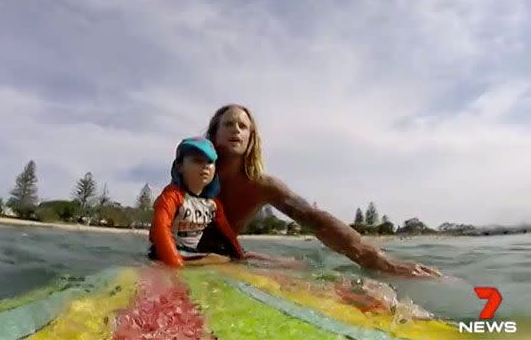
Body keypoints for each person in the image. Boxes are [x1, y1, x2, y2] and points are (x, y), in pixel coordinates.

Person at [197, 104, 441, 278]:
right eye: (228, 124)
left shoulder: (263, 185)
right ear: (214, 133)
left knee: (302, 270)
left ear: (251, 139)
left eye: (243, 126)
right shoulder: (192, 175)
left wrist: (378, 260)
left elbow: (314, 219)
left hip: (228, 255)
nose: (236, 129)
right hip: (189, 253)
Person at [149, 136, 244, 268]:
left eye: (210, 162)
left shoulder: (213, 204)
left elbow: (227, 234)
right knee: (219, 260)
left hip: (192, 253)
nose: (205, 166)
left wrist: (240, 255)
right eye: (197, 160)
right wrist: (175, 264)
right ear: (179, 166)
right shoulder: (171, 196)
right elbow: (159, 228)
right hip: (166, 253)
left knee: (227, 258)